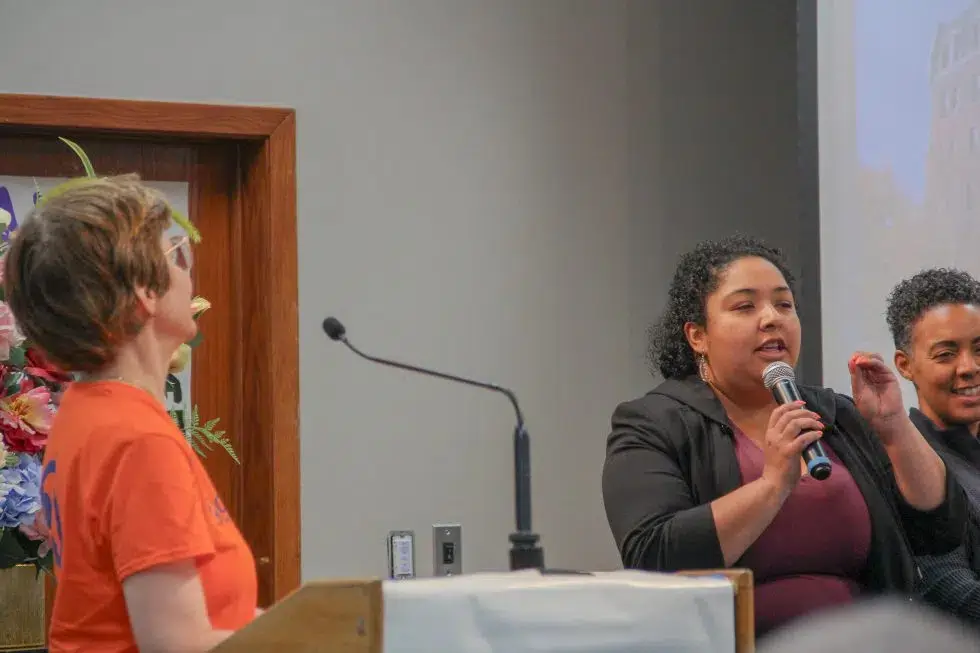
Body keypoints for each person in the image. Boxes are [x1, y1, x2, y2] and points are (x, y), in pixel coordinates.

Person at [601, 235, 967, 638]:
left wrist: (895, 427)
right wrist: (772, 485)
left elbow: (940, 529)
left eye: (784, 304)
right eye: (745, 306)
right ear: (697, 336)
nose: (772, 318)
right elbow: (654, 555)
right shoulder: (653, 422)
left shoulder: (835, 414)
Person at [4, 175, 258, 652]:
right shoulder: (138, 441)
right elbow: (176, 644)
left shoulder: (87, 412)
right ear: (145, 291)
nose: (188, 272)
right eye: (177, 253)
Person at [886, 268, 980, 625]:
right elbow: (943, 585)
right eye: (946, 354)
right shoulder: (904, 464)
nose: (968, 367)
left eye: (979, 349)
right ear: (905, 365)